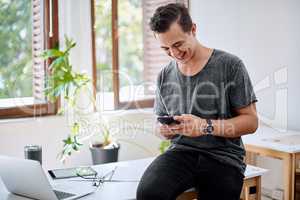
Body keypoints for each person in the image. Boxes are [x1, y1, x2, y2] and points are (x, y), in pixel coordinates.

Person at [136, 3, 258, 200]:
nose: (174, 54)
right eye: (166, 49)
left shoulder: (230, 65)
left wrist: (205, 126)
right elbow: (157, 124)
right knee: (148, 194)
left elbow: (251, 122)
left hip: (224, 158)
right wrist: (164, 130)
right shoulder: (164, 75)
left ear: (193, 29)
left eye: (177, 44)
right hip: (181, 153)